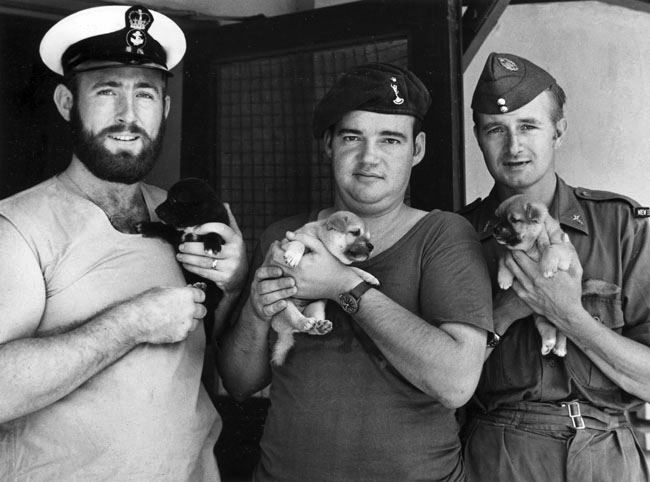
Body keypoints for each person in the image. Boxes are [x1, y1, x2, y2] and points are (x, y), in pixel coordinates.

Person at [0, 5, 247, 481]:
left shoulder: (185, 214)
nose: (128, 115)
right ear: (67, 103)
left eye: (145, 94)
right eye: (107, 90)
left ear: (166, 108)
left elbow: (238, 376)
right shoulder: (17, 227)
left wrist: (234, 283)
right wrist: (130, 323)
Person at [217, 63, 493, 482]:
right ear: (328, 145)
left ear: (417, 149)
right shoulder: (284, 238)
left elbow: (456, 382)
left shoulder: (444, 236)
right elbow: (240, 383)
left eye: (390, 139)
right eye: (352, 137)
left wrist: (344, 285)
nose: (369, 158)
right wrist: (257, 313)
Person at [460, 52, 650, 482]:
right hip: (499, 454)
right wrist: (506, 310)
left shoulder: (622, 226)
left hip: (609, 456)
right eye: (495, 130)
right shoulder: (456, 236)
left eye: (528, 126)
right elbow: (441, 380)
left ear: (558, 131)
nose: (513, 147)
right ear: (478, 137)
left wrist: (568, 313)